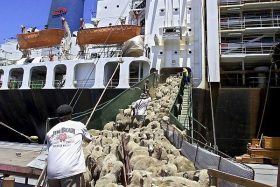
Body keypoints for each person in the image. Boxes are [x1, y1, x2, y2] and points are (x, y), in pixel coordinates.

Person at [46, 104, 92, 187]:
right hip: (70, 170)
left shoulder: (50, 132)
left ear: (58, 117)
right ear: (71, 114)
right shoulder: (79, 125)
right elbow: (89, 139)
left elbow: (50, 151)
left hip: (51, 173)